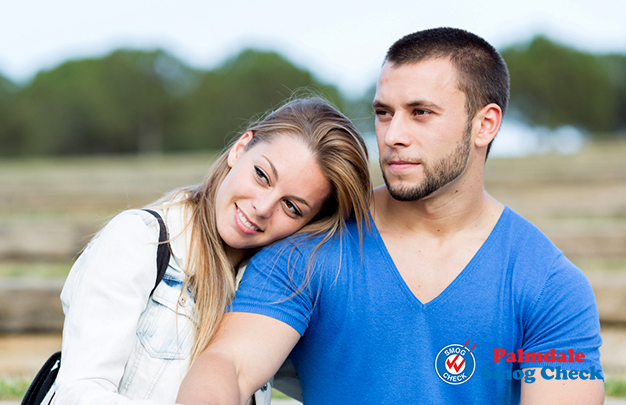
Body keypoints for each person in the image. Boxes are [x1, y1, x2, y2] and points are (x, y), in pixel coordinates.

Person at [176, 28, 604, 404]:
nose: (393, 136)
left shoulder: (550, 286)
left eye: (421, 113)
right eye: (384, 113)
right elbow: (228, 364)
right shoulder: (312, 247)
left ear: (485, 125)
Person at [51, 97, 372, 405]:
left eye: (291, 207)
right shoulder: (140, 240)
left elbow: (345, 380)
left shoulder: (275, 292)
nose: (262, 207)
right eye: (262, 175)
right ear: (240, 147)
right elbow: (77, 395)